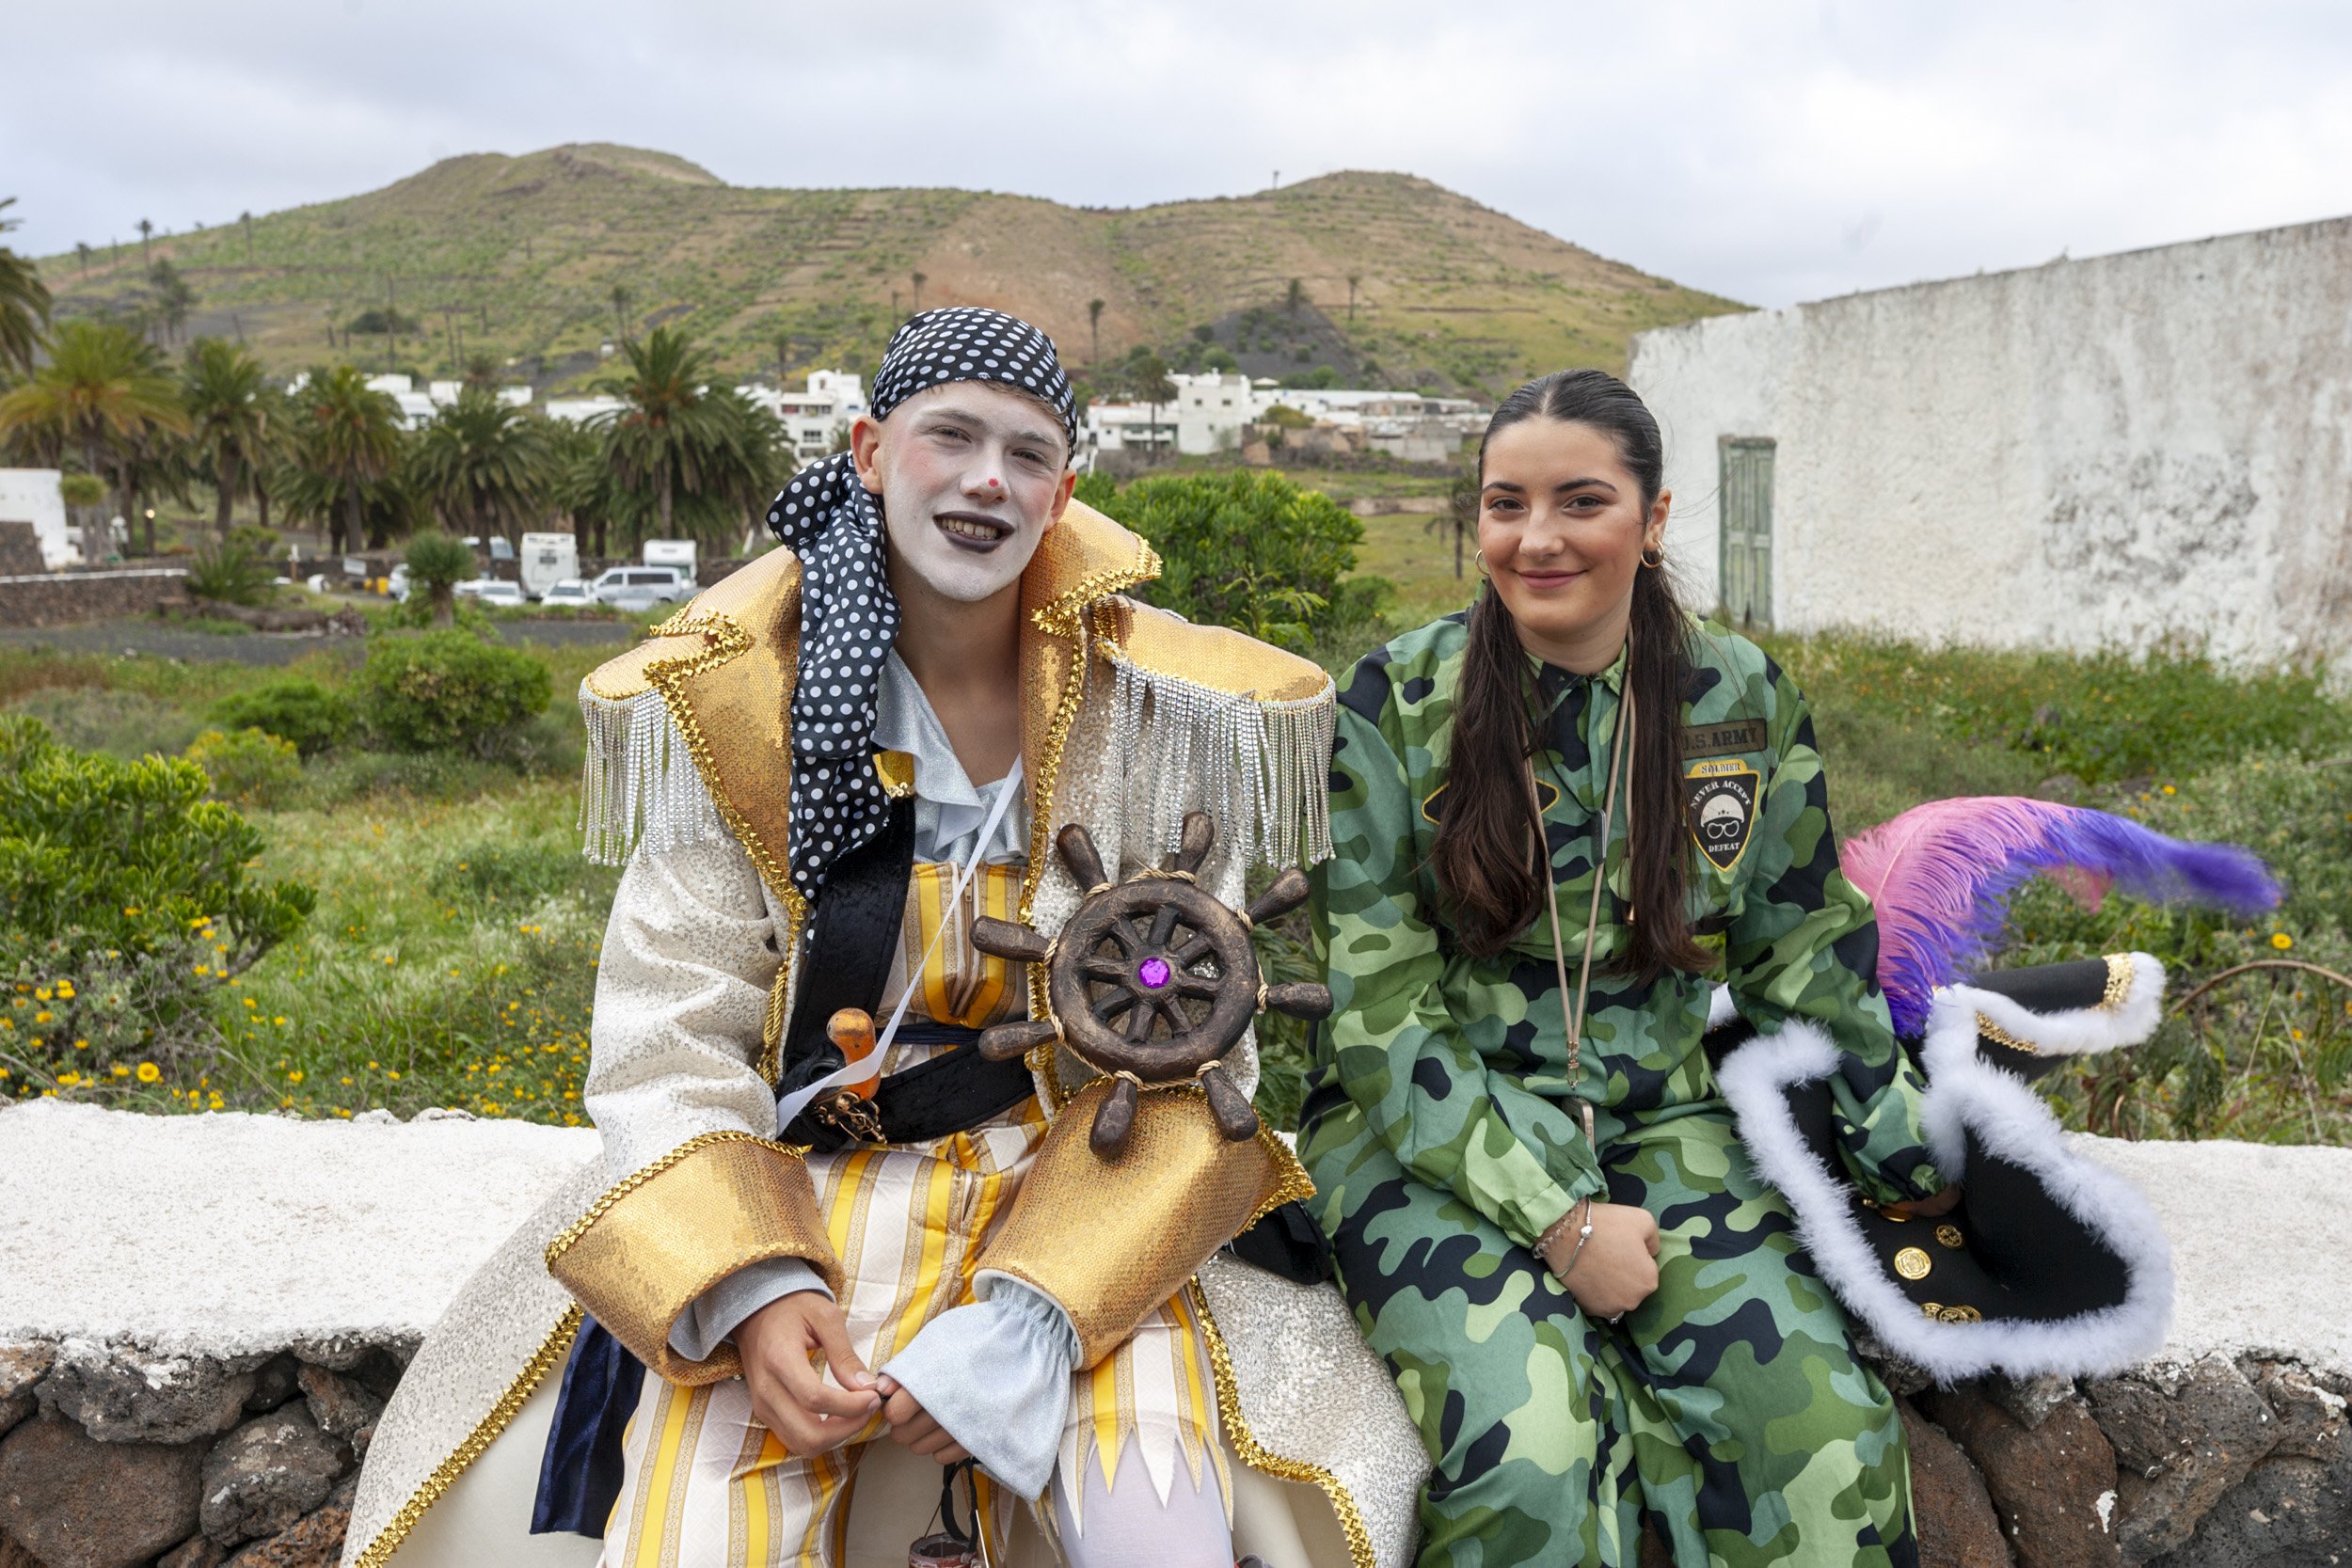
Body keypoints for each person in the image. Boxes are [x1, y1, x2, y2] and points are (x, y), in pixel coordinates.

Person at [341, 308, 1428, 1568]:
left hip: (1079, 1185)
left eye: (1026, 453)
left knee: (1157, 1533)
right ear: (867, 450)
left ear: (1064, 488)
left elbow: (1196, 1071)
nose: (986, 478)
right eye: (949, 436)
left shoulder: (1164, 717)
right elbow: (668, 1034)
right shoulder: (739, 707)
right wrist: (756, 1289)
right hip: (799, 1190)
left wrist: (1028, 1323)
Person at [1301, 369, 1953, 1568]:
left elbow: (1804, 950)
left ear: (1651, 521)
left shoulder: (1739, 697)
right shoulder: (1396, 698)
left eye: (1579, 501)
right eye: (1504, 504)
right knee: (1529, 1457)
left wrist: (1917, 1149)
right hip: (1425, 1131)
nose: (1534, 538)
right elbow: (1381, 1020)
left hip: (1661, 1120)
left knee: (1824, 1439)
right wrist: (1557, 1220)